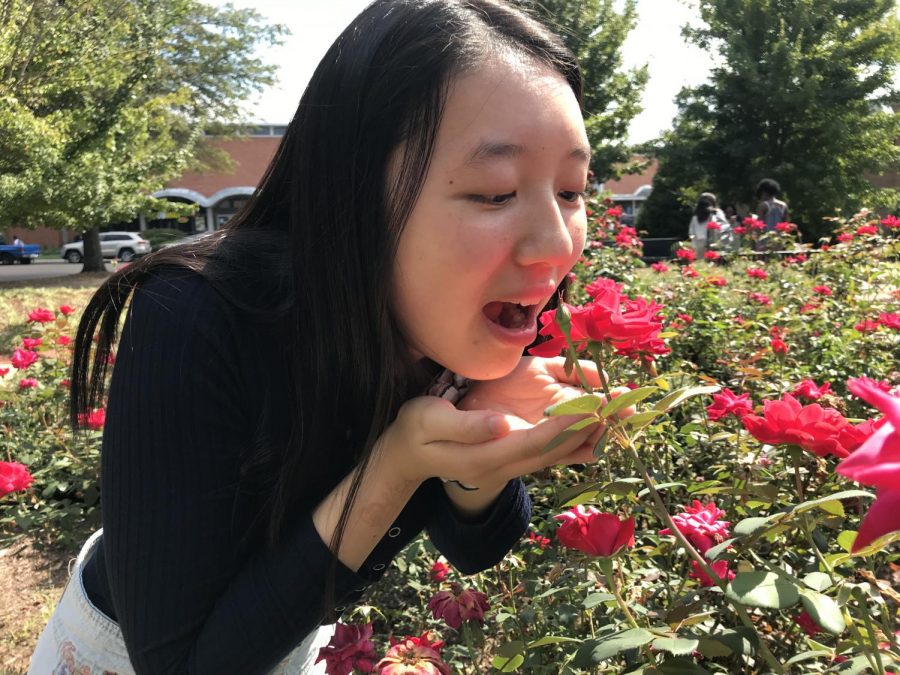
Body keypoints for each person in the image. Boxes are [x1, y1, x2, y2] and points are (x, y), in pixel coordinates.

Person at [29, 1, 613, 673]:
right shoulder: (195, 315)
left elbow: (476, 544)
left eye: (571, 190)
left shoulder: (440, 316)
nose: (554, 246)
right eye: (494, 192)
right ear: (354, 194)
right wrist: (394, 467)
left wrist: (480, 444)